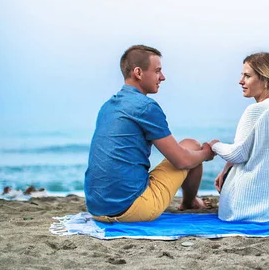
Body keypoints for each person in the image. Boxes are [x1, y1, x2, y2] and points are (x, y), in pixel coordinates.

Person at [84, 45, 215, 223]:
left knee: (186, 153)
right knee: (191, 146)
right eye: (157, 71)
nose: (162, 77)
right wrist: (206, 153)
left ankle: (190, 200)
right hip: (130, 209)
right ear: (138, 72)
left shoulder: (107, 106)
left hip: (96, 208)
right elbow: (181, 160)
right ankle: (189, 202)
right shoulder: (145, 106)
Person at [209, 52, 269, 222]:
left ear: (265, 80)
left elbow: (238, 153)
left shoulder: (256, 110)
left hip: (250, 209)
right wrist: (226, 169)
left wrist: (215, 145)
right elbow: (252, 149)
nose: (240, 81)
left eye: (247, 76)